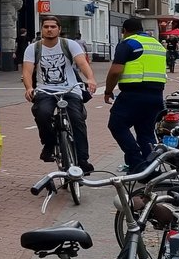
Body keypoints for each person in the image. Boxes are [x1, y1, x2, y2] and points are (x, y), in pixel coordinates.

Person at [21, 15, 98, 173]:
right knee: (42, 113)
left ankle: (82, 160)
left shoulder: (70, 45)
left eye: (53, 27)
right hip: (45, 91)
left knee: (76, 119)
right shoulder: (33, 48)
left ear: (59, 29)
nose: (49, 30)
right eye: (46, 27)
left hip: (70, 89)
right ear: (42, 29)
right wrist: (29, 88)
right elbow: (27, 71)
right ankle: (49, 144)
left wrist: (90, 78)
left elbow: (82, 63)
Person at [104, 16, 168, 172]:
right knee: (145, 132)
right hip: (156, 96)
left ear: (124, 31)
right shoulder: (157, 44)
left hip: (134, 94)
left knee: (117, 125)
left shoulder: (128, 43)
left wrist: (108, 91)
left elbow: (115, 71)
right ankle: (152, 168)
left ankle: (136, 162)